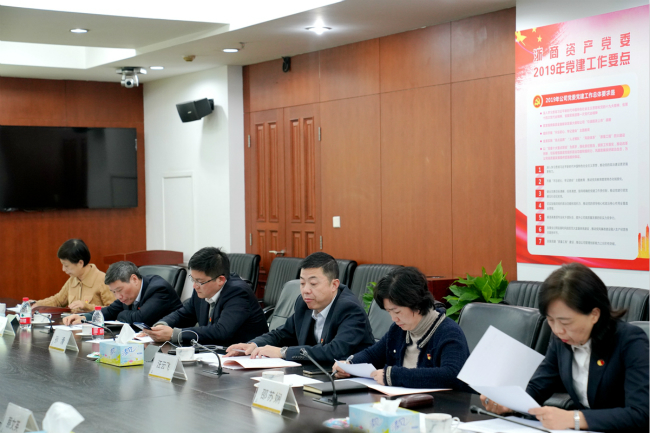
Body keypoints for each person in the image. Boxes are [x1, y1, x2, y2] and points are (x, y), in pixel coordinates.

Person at [480, 263, 649, 432]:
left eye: (565, 322)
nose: (557, 330)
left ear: (594, 314)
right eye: (550, 320)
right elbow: (539, 386)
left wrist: (573, 418)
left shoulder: (629, 341)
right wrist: (509, 403)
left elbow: (640, 414)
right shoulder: (561, 340)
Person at [332, 266, 470, 389]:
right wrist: (349, 365)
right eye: (389, 312)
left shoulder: (448, 332)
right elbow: (373, 354)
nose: (394, 318)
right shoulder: (398, 330)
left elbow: (451, 374)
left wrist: (394, 376)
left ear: (416, 303)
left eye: (397, 312)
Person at [226, 252, 374, 363]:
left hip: (351, 382)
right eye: (302, 283)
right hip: (314, 375)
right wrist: (253, 344)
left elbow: (334, 351)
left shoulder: (350, 309)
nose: (306, 290)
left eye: (313, 284)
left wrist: (283, 352)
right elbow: (282, 334)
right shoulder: (304, 303)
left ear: (334, 285)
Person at [144, 247, 268, 345]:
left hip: (245, 358)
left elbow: (221, 331)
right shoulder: (202, 288)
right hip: (213, 353)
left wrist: (175, 334)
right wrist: (162, 326)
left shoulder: (238, 293)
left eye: (199, 281)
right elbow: (184, 314)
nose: (195, 286)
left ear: (220, 280)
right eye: (193, 279)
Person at [62, 261, 182, 326]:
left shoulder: (158, 289)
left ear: (134, 279)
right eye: (113, 292)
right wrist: (84, 317)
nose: (118, 296)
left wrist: (119, 315)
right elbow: (111, 311)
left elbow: (140, 319)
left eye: (119, 290)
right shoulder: (127, 295)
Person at [33, 239, 115, 313]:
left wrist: (87, 307)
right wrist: (37, 304)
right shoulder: (73, 279)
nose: (63, 269)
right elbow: (58, 300)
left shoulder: (103, 280)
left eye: (66, 265)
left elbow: (113, 310)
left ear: (80, 263)